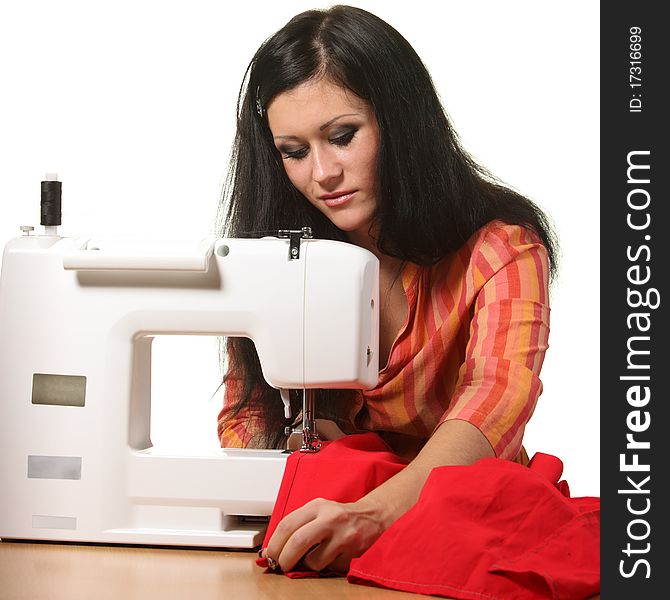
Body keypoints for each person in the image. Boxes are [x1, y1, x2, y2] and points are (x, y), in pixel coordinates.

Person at [216, 5, 558, 575]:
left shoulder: (501, 252)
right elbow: (248, 411)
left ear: (399, 120)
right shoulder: (281, 262)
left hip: (462, 522)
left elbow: (494, 402)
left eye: (342, 136)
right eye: (293, 152)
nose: (321, 173)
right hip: (328, 531)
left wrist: (370, 515)